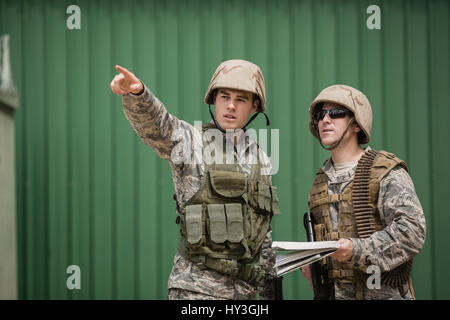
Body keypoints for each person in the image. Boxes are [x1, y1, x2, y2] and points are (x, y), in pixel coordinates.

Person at [110, 59, 280, 300]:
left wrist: (268, 290)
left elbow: (262, 232)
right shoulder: (190, 141)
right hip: (197, 290)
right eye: (224, 97)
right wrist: (138, 93)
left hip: (248, 294)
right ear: (213, 99)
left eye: (240, 99)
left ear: (254, 106)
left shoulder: (260, 157)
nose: (231, 106)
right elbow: (159, 125)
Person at [301, 84, 426, 300]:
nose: (325, 120)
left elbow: (412, 231)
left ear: (356, 123)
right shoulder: (320, 181)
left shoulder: (383, 170)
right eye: (321, 114)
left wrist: (356, 249)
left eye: (337, 113)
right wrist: (312, 262)